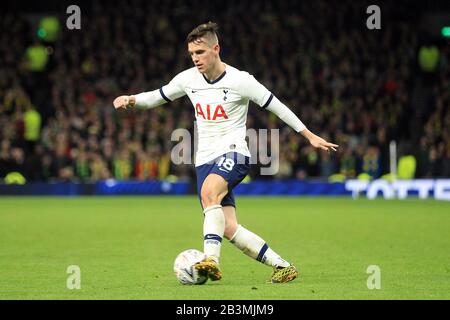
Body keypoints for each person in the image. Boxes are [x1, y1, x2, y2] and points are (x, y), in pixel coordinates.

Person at [113, 22, 338, 283]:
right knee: (228, 227)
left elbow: (277, 107)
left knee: (210, 193)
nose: (195, 59)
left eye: (200, 53)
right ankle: (283, 266)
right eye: (192, 54)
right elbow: (156, 96)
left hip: (234, 153)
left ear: (216, 49)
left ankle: (211, 260)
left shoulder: (240, 80)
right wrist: (131, 98)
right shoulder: (188, 79)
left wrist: (308, 135)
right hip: (204, 160)